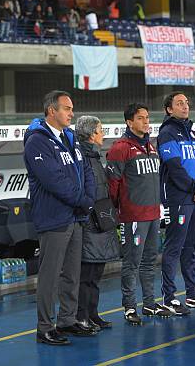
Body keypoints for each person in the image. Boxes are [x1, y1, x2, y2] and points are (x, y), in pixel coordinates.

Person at [24, 90, 96, 345]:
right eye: (67, 108)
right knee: (50, 275)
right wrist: (83, 201)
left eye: (72, 108)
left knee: (71, 274)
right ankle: (45, 327)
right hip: (54, 218)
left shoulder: (71, 137)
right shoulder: (37, 141)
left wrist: (87, 198)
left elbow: (86, 169)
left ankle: (67, 320)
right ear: (52, 111)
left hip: (75, 216)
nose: (72, 113)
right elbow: (55, 181)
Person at [106, 103, 171, 325]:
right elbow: (113, 184)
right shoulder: (120, 148)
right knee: (132, 263)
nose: (146, 121)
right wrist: (121, 208)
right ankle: (130, 307)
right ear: (129, 122)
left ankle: (150, 303)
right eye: (141, 118)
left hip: (153, 214)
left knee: (150, 261)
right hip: (133, 216)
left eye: (147, 117)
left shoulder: (151, 148)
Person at [158, 92, 195, 313]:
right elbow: (174, 168)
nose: (185, 106)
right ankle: (169, 296)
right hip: (179, 199)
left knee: (190, 247)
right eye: (179, 103)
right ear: (169, 109)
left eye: (187, 103)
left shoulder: (192, 131)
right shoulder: (167, 133)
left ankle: (191, 293)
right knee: (174, 247)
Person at [75, 116, 120, 332]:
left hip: (100, 222)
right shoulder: (82, 157)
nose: (103, 134)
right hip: (89, 224)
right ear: (92, 134)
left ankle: (92, 314)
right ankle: (81, 316)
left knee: (96, 273)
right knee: (86, 274)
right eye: (101, 130)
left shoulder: (94, 156)